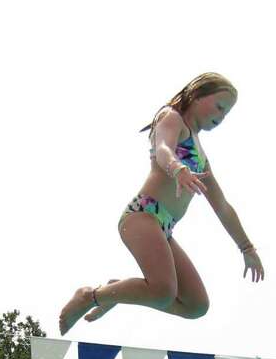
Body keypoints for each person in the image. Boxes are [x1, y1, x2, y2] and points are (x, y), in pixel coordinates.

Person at [58, 73, 262, 334]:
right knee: (163, 292)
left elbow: (222, 206)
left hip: (165, 227)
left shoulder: (201, 158)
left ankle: (117, 292)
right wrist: (178, 169)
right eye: (220, 106)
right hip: (143, 215)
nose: (222, 116)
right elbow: (164, 147)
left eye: (227, 113)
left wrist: (246, 248)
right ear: (197, 96)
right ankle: (91, 296)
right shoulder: (172, 118)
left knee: (196, 305)